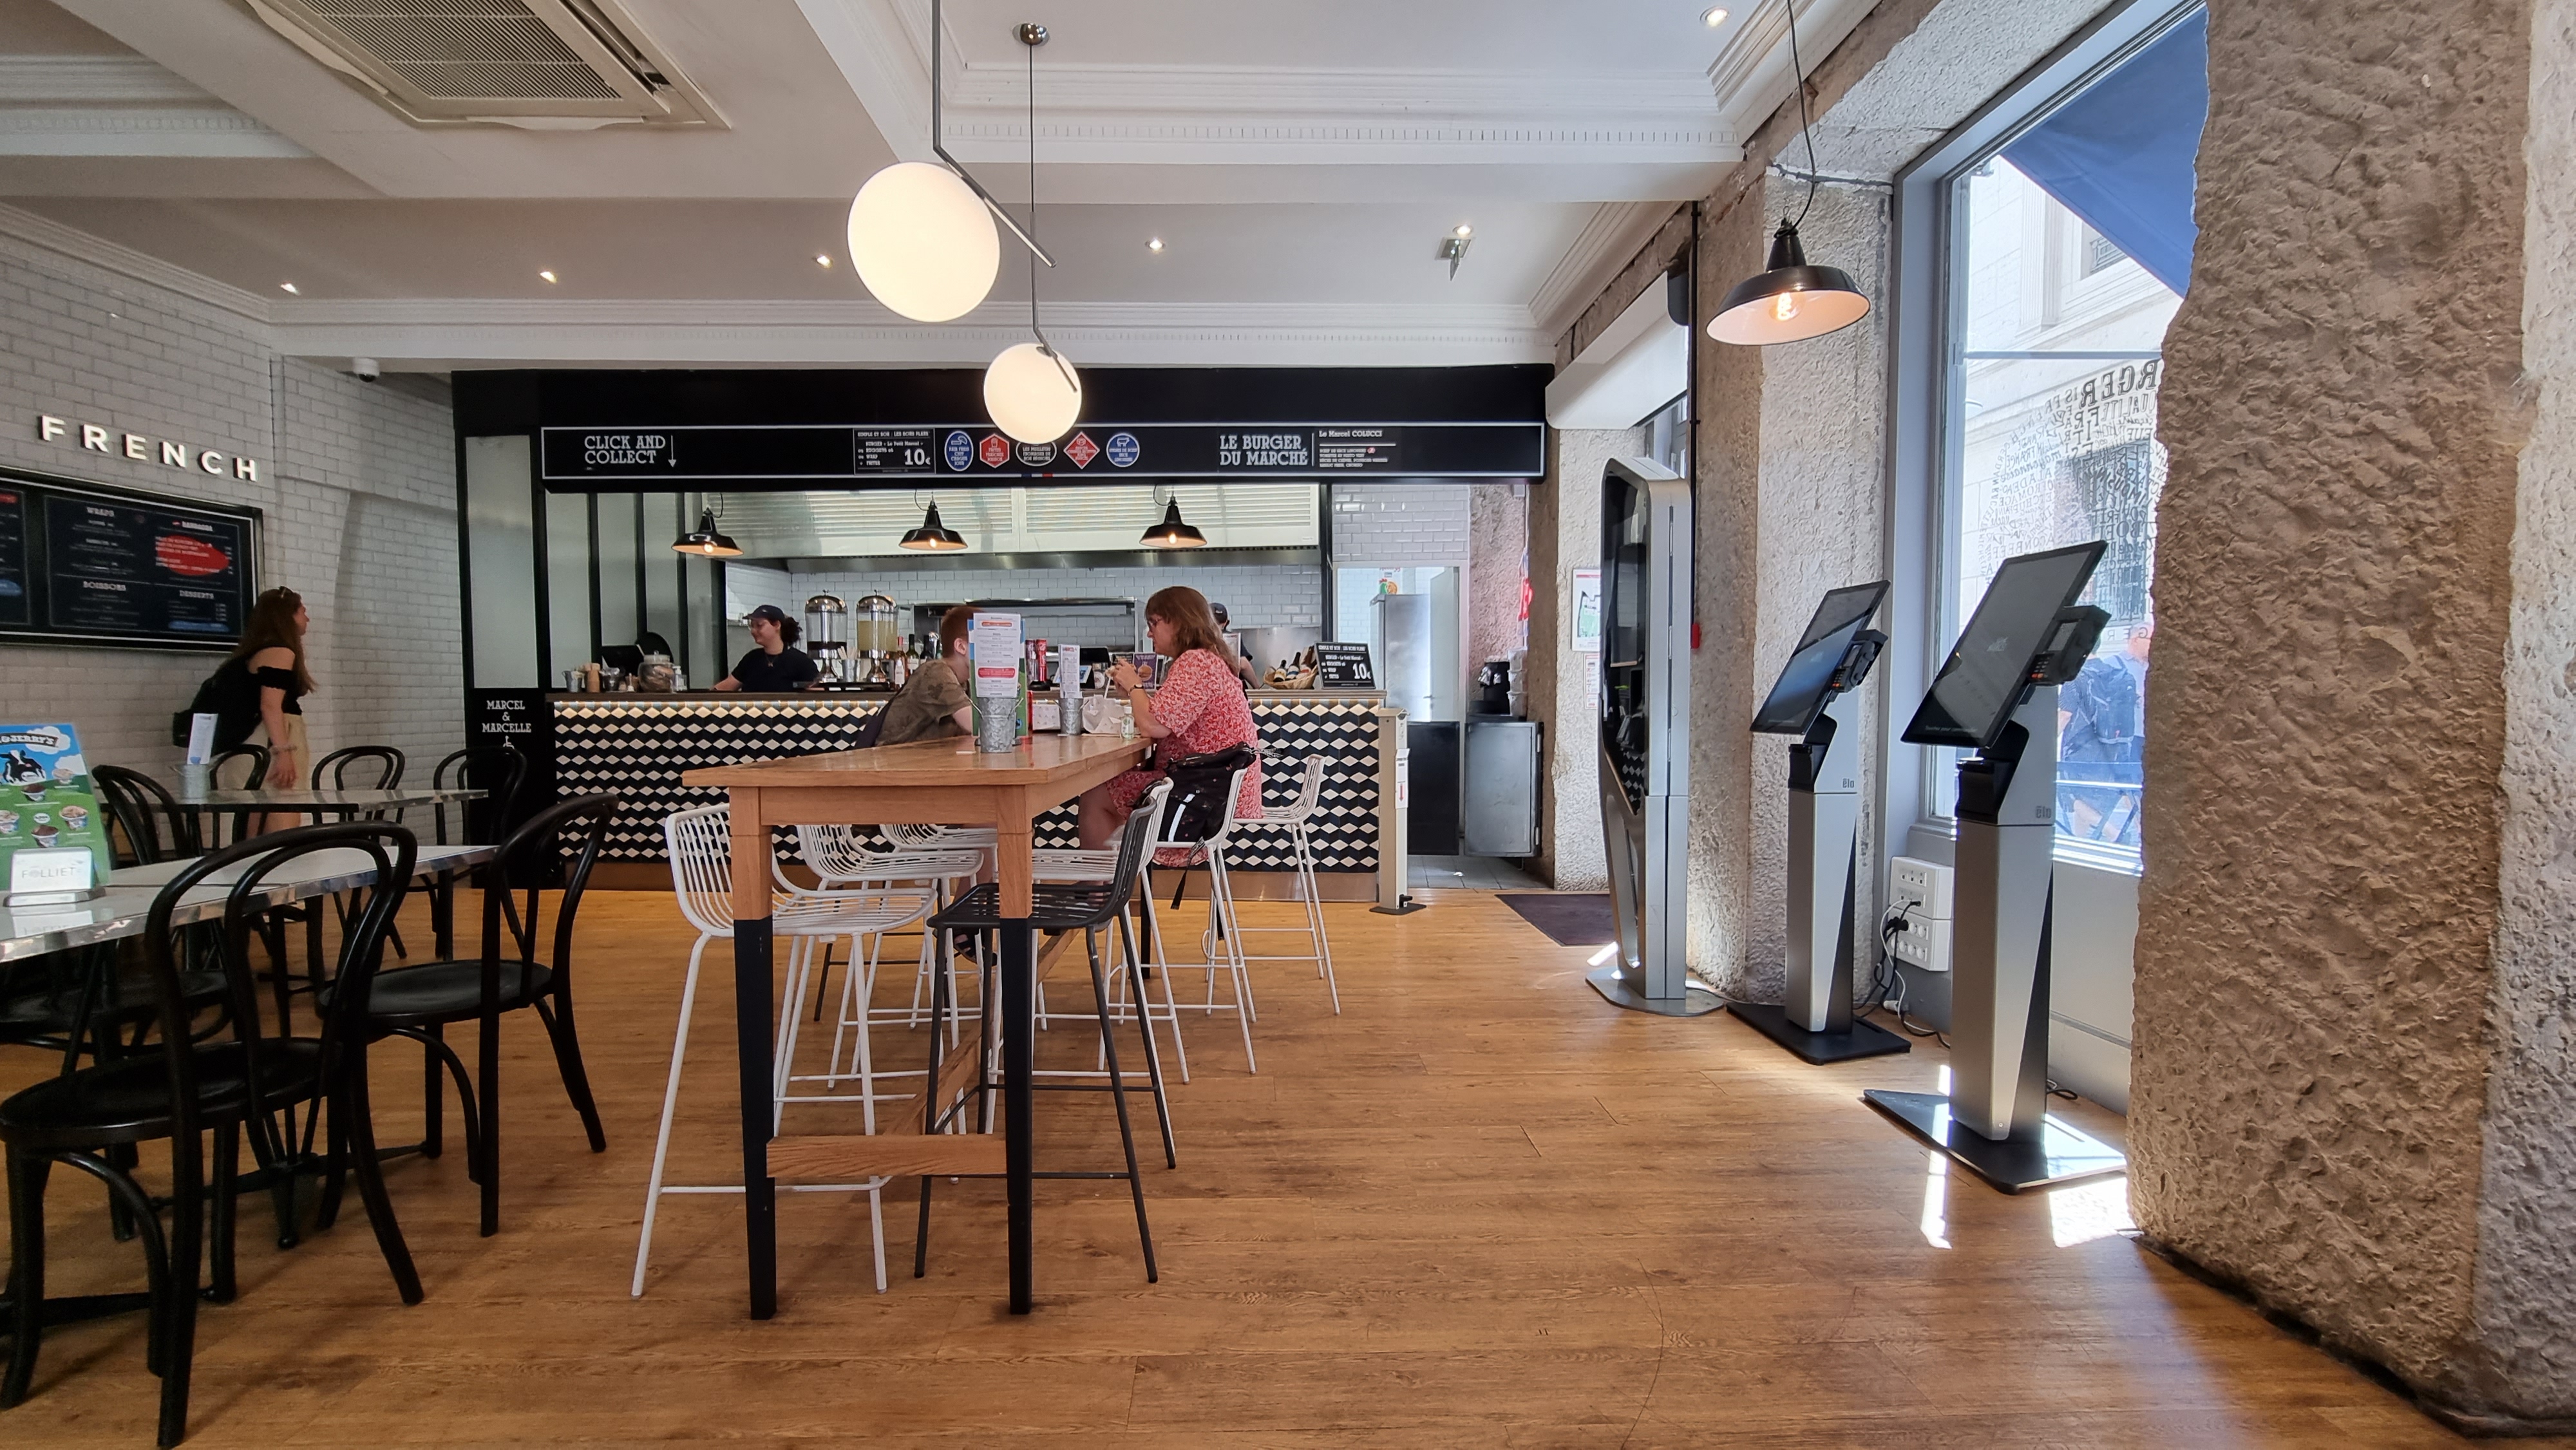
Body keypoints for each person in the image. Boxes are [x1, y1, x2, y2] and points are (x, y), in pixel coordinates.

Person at [1079, 585, 1263, 848]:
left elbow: (1154, 726)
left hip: (1205, 793)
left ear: (1179, 621)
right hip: (1217, 785)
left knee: (1095, 796)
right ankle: (1121, 870)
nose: (1149, 632)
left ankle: (1105, 875)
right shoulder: (1206, 659)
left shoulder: (1196, 662)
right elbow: (1164, 716)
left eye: (1153, 622)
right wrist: (1134, 691)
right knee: (1113, 793)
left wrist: (1135, 686)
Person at [198, 587, 313, 829]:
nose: (307, 618)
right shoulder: (281, 651)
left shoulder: (252, 653)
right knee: (283, 818)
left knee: (254, 823)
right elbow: (270, 705)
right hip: (270, 743)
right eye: (302, 611)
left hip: (250, 744)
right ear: (287, 616)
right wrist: (284, 752)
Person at [877, 604, 976, 745]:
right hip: (891, 756)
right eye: (985, 642)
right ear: (961, 646)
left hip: (920, 756)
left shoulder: (963, 681)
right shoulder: (937, 673)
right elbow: (975, 725)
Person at [713, 604, 819, 692]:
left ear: (777, 625)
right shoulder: (751, 659)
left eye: (759, 625)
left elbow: (818, 697)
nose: (753, 631)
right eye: (752, 626)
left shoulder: (802, 662)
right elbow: (725, 687)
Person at [1206, 601, 1263, 690]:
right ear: (1226, 623)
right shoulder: (1231, 638)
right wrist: (1258, 688)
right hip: (1232, 690)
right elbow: (1243, 665)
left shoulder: (1195, 640)